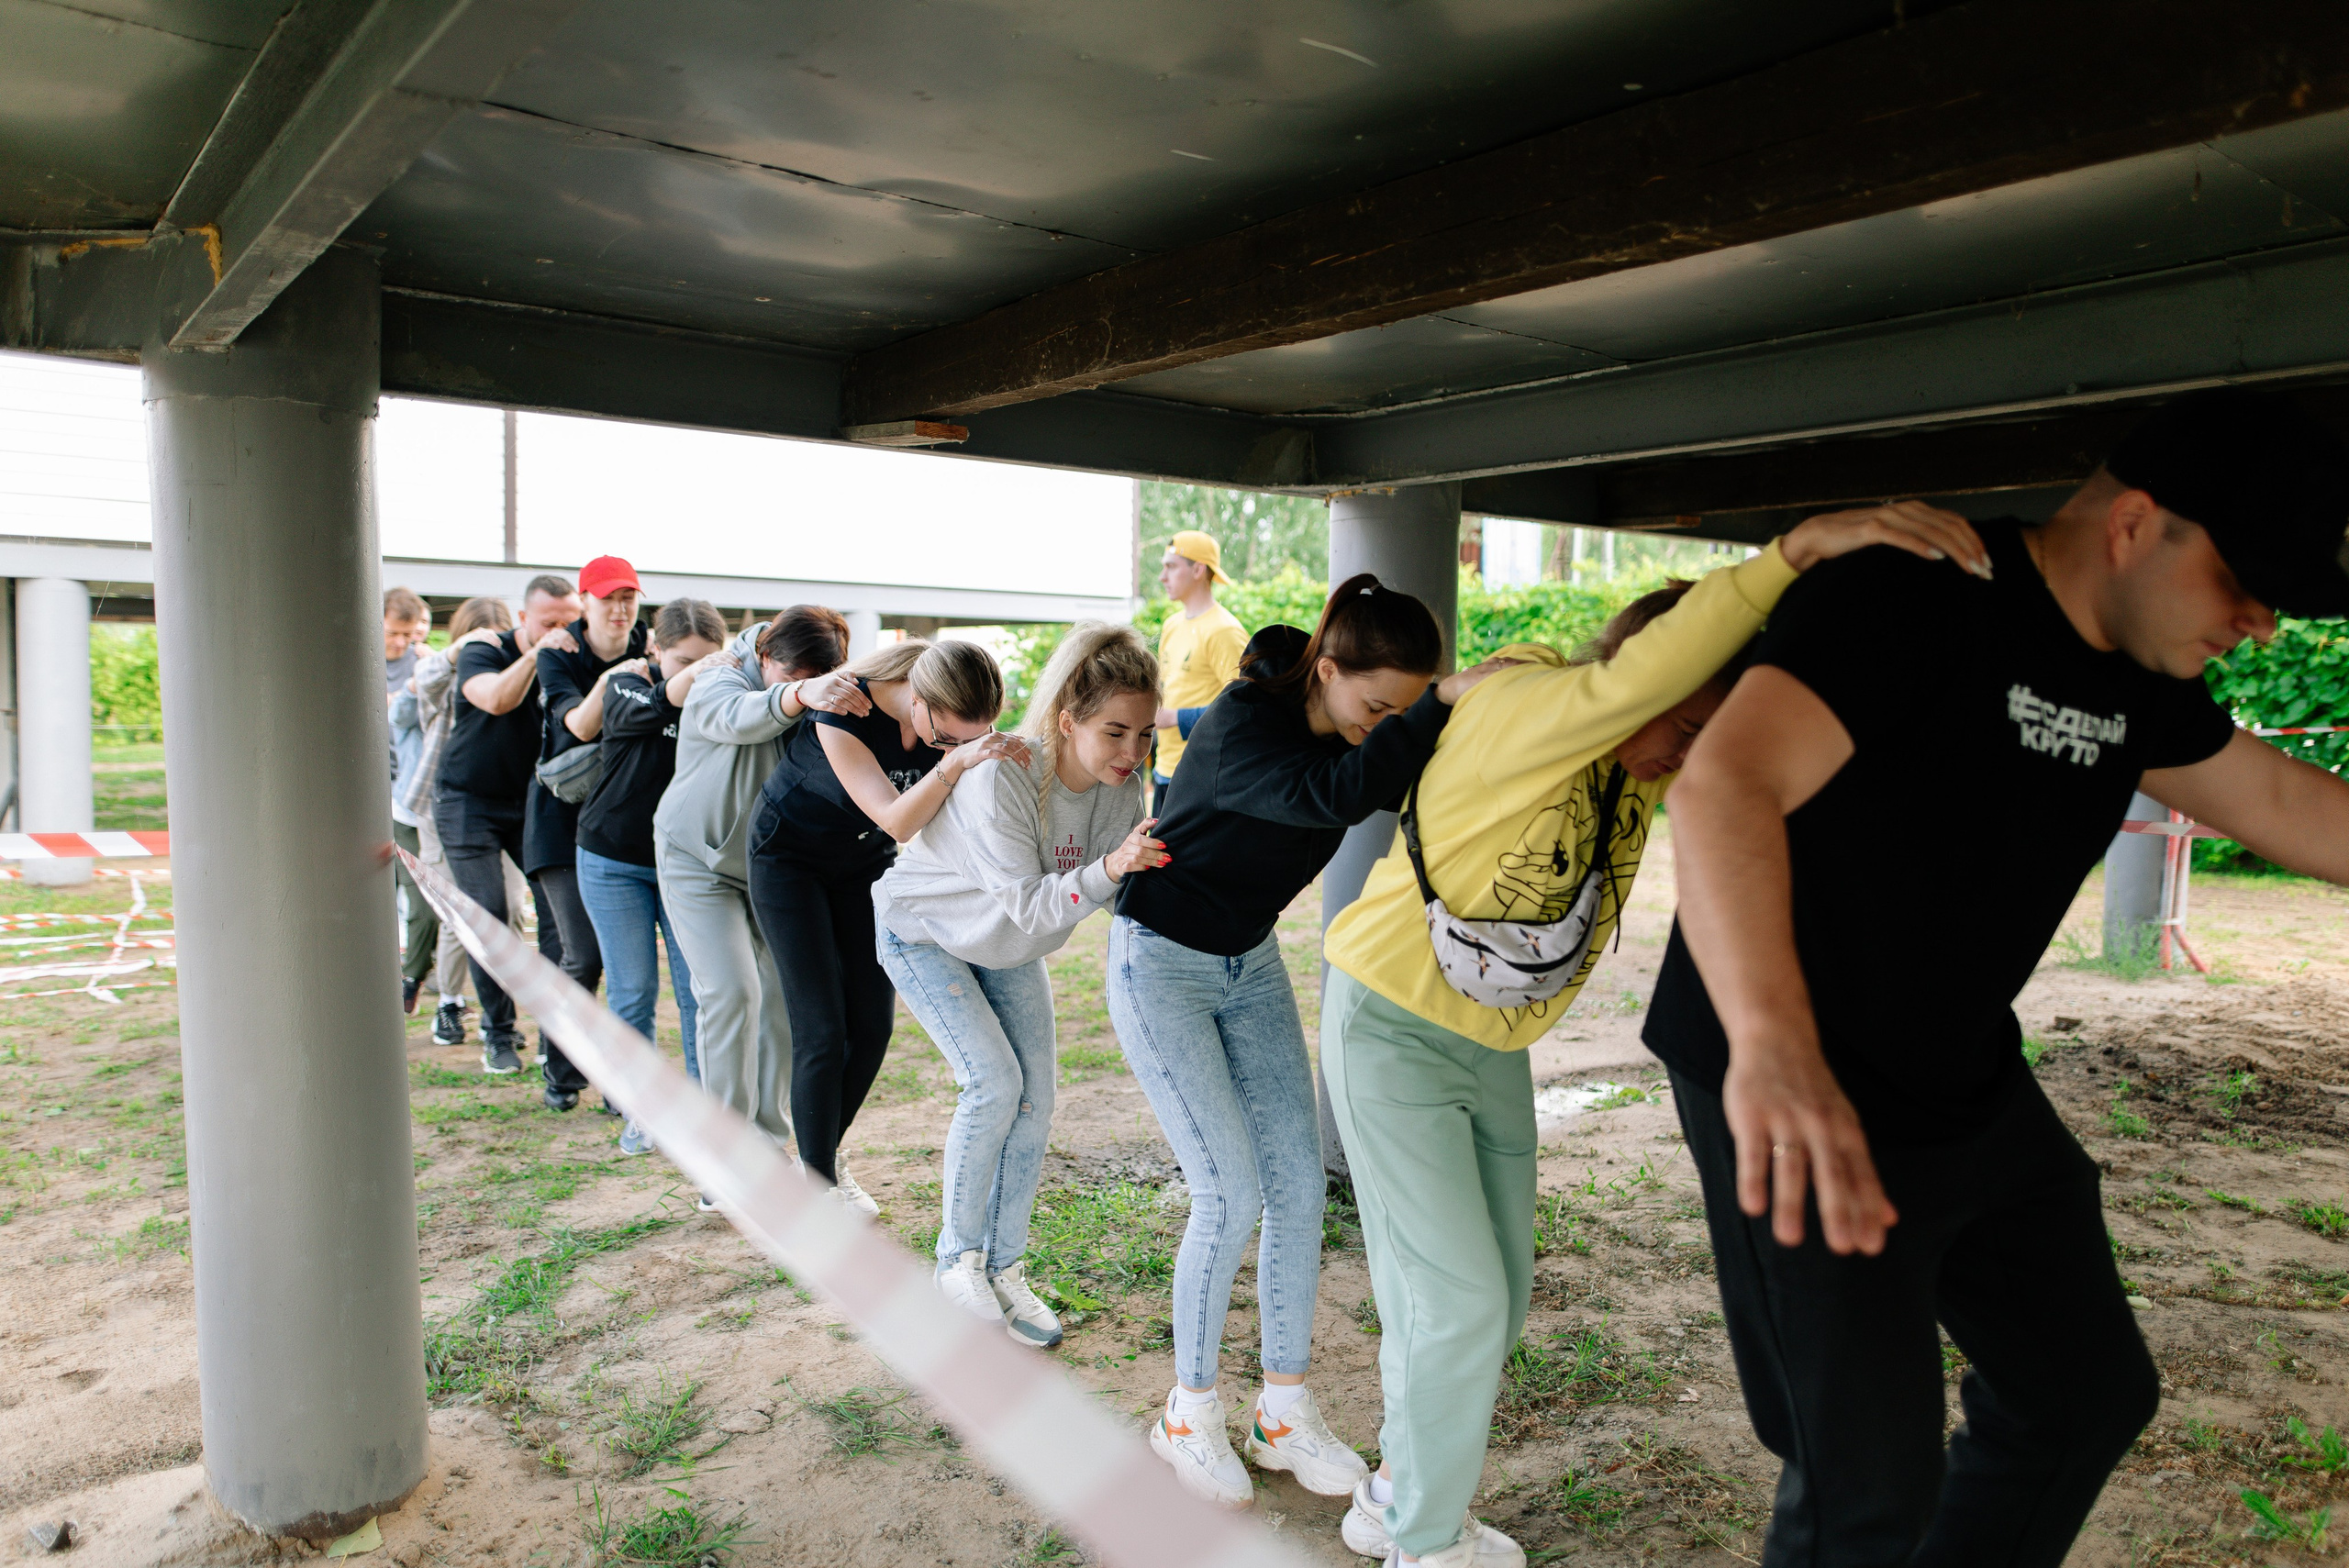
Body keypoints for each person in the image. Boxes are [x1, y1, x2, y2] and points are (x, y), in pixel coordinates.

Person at [1650, 389, 2349, 1568]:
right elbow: (1723, 787)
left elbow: (2283, 801)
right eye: (2242, 577)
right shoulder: (1912, 593)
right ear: (2134, 523)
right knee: (1862, 1488)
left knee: (2080, 1392)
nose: (2261, 622)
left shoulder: (2138, 677)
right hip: (1793, 1067)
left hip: (1958, 1074)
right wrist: (1775, 1051)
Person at [1317, 514, 1987, 1568]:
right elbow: (1644, 678)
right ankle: (1421, 1541)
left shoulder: (1642, 767)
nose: (1682, 756)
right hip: (1391, 1025)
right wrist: (1791, 557)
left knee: (1491, 1295)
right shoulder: (1532, 710)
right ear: (1638, 677)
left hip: (1492, 1040)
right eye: (1682, 723)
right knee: (1455, 1300)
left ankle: (1401, 1491)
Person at [1107, 574, 1509, 1511]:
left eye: (1402, 707)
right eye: (1375, 703)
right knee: (1229, 1188)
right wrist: (1440, 703)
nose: (1385, 723)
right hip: (1161, 958)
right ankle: (1188, 1411)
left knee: (1294, 1185)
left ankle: (1281, 1409)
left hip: (1249, 961)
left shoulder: (1351, 726)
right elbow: (1341, 791)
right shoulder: (1247, 722)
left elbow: (1388, 771)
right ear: (1324, 668)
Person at [873, 623, 1167, 1347]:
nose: (1132, 753)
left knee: (1037, 1099)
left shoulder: (1120, 791)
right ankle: (957, 1261)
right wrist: (1113, 868)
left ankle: (1005, 1267)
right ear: (1068, 720)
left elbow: (1114, 890)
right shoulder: (1002, 773)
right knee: (994, 1084)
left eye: (1145, 733)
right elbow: (1038, 901)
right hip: (926, 931)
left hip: (1004, 945)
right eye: (1115, 732)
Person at [747, 637, 1027, 1214]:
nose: (956, 747)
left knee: (872, 1028)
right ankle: (818, 1185)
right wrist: (953, 762)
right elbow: (898, 819)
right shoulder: (845, 706)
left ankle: (815, 1160)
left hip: (861, 865)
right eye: (947, 736)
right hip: (788, 862)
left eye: (970, 738)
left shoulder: (949, 725)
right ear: (919, 699)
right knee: (822, 1030)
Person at [655, 606, 864, 1186]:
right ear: (765, 657)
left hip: (772, 867)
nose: (798, 690)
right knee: (730, 993)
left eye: (810, 682)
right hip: (697, 859)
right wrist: (800, 697)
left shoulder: (824, 684)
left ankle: (767, 1146)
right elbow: (734, 718)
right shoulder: (720, 672)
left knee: (781, 1001)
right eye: (788, 679)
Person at [575, 596, 732, 1155]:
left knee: (701, 990)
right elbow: (651, 705)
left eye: (709, 658)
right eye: (683, 659)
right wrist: (700, 674)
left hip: (685, 863)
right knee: (633, 990)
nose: (699, 670)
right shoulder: (625, 684)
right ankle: (641, 1112)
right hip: (612, 859)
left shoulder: (726, 698)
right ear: (655, 650)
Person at [436, 573, 579, 1076]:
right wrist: (538, 653)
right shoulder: (487, 650)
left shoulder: (572, 657)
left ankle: (555, 1040)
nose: (562, 631)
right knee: (488, 917)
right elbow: (495, 699)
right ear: (524, 619)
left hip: (531, 803)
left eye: (569, 621)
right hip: (465, 799)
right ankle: (498, 1034)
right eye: (549, 622)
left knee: (558, 920)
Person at [531, 556, 646, 1113]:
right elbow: (578, 724)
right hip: (559, 818)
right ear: (585, 602)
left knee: (627, 968)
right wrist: (615, 677)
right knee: (582, 953)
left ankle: (619, 1085)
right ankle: (561, 1068)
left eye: (628, 596)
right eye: (608, 598)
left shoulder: (650, 643)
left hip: (622, 818)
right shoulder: (559, 651)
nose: (620, 608)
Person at [404, 595, 530, 1047]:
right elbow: (417, 688)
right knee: (465, 912)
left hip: (507, 803)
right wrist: (458, 652)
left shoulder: (518, 674)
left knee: (510, 909)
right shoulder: (448, 671)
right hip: (443, 806)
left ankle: (498, 1014)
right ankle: (450, 1004)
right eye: (483, 638)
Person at [1152, 530, 1249, 794]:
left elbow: (1245, 707)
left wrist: (1175, 718)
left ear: (1198, 570)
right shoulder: (1171, 625)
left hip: (1203, 775)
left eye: (1171, 567)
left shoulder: (1224, 631)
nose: (1162, 577)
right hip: (1164, 770)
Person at [383, 587, 437, 1017]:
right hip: (359, 794)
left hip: (409, 797)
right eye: (395, 633)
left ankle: (413, 977)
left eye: (411, 633)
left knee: (422, 894)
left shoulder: (423, 662)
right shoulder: (351, 657)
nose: (402, 642)